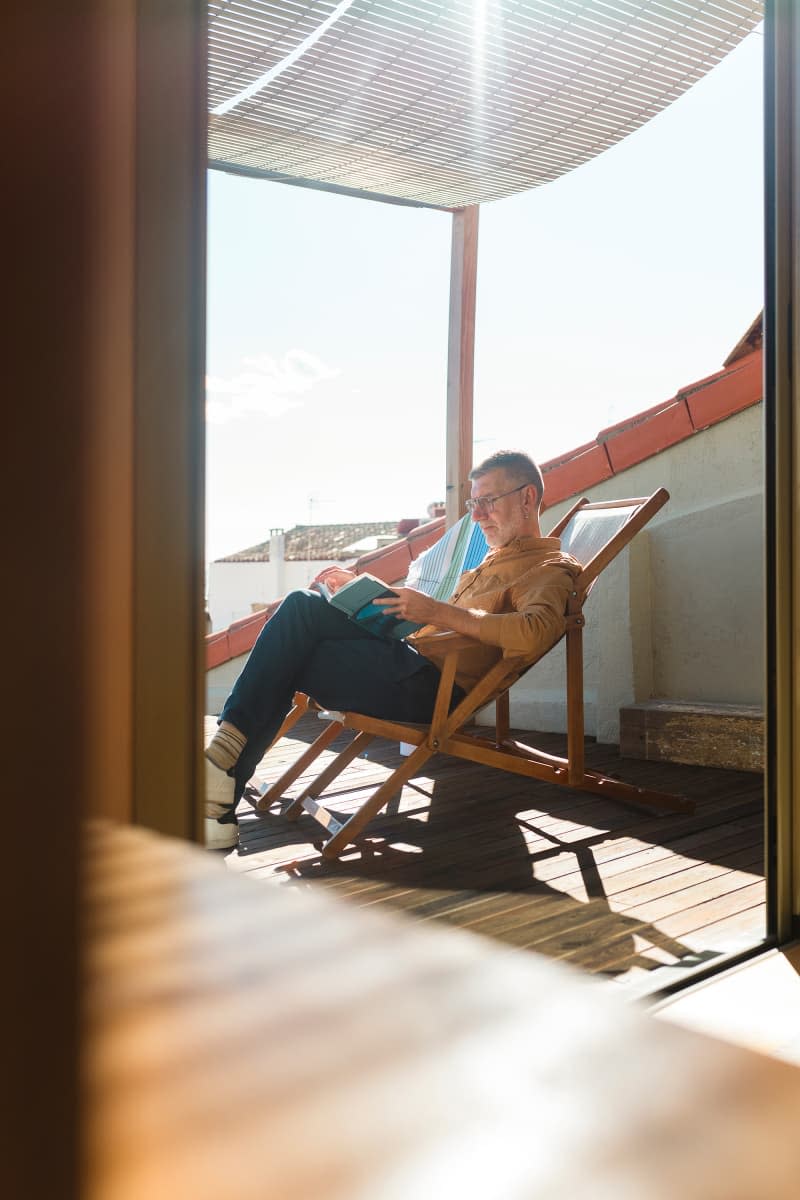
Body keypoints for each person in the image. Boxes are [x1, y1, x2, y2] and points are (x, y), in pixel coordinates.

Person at [205, 450, 582, 848]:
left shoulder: (550, 569)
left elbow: (534, 631)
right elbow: (441, 619)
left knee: (293, 650)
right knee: (302, 607)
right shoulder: (494, 559)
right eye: (475, 503)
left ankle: (220, 779)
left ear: (527, 498)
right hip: (409, 661)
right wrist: (360, 591)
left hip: (432, 689)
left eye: (488, 502)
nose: (477, 516)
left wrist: (437, 610)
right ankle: (220, 782)